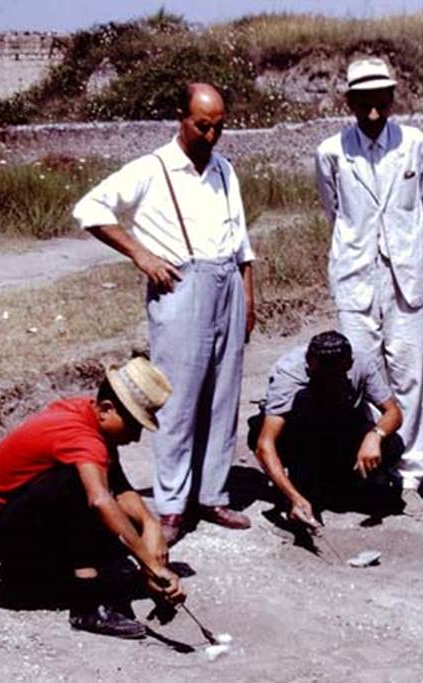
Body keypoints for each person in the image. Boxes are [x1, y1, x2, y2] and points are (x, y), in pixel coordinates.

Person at [73, 83, 255, 544]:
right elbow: (90, 209)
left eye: (218, 127)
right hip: (181, 285)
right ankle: (172, 505)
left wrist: (248, 298)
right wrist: (141, 254)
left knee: (223, 395)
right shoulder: (152, 168)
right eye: (202, 126)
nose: (210, 136)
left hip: (228, 282)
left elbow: (241, 241)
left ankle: (212, 495)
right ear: (180, 117)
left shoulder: (225, 170)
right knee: (177, 398)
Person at [0, 357, 185, 639]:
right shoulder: (82, 437)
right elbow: (100, 500)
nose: (135, 437)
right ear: (106, 409)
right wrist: (151, 565)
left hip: (17, 518)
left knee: (122, 530)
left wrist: (150, 525)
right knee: (83, 490)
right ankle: (87, 606)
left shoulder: (88, 414)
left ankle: (25, 576)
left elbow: (120, 486)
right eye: (134, 425)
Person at [315, 57, 423, 492]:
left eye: (380, 102)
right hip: (356, 271)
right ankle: (371, 458)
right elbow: (334, 211)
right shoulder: (332, 152)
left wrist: (408, 250)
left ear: (392, 98)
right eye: (363, 103)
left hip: (405, 271)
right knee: (360, 369)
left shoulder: (415, 144)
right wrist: (359, 247)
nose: (372, 113)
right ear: (349, 102)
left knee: (409, 370)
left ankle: (410, 467)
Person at [251, 331, 405, 528]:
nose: (330, 381)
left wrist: (375, 436)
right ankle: (302, 489)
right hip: (300, 434)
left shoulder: (361, 362)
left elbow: (393, 412)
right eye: (323, 375)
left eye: (336, 376)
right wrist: (294, 497)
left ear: (348, 364)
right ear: (309, 364)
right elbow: (265, 444)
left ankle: (343, 486)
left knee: (392, 445)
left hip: (338, 428)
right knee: (301, 402)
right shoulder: (289, 374)